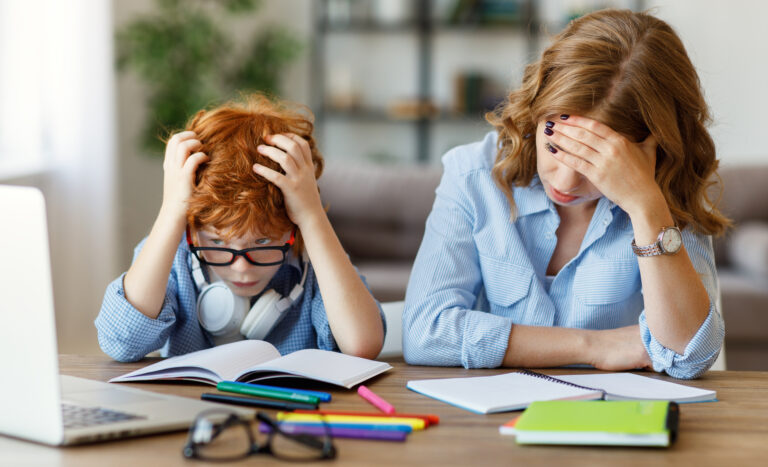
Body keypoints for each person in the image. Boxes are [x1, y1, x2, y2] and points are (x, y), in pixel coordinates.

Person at [402, 9, 729, 379]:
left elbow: (689, 356)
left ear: (653, 150)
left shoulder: (666, 189)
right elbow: (424, 332)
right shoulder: (473, 175)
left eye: (595, 162)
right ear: (536, 112)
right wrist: (593, 346)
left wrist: (645, 205)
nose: (567, 182)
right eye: (555, 147)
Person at [96, 94, 385, 362]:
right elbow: (122, 342)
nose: (242, 269)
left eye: (263, 244)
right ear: (191, 229)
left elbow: (362, 345)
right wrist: (172, 210)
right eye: (218, 244)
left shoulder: (312, 258)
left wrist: (311, 215)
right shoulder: (175, 252)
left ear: (292, 229)